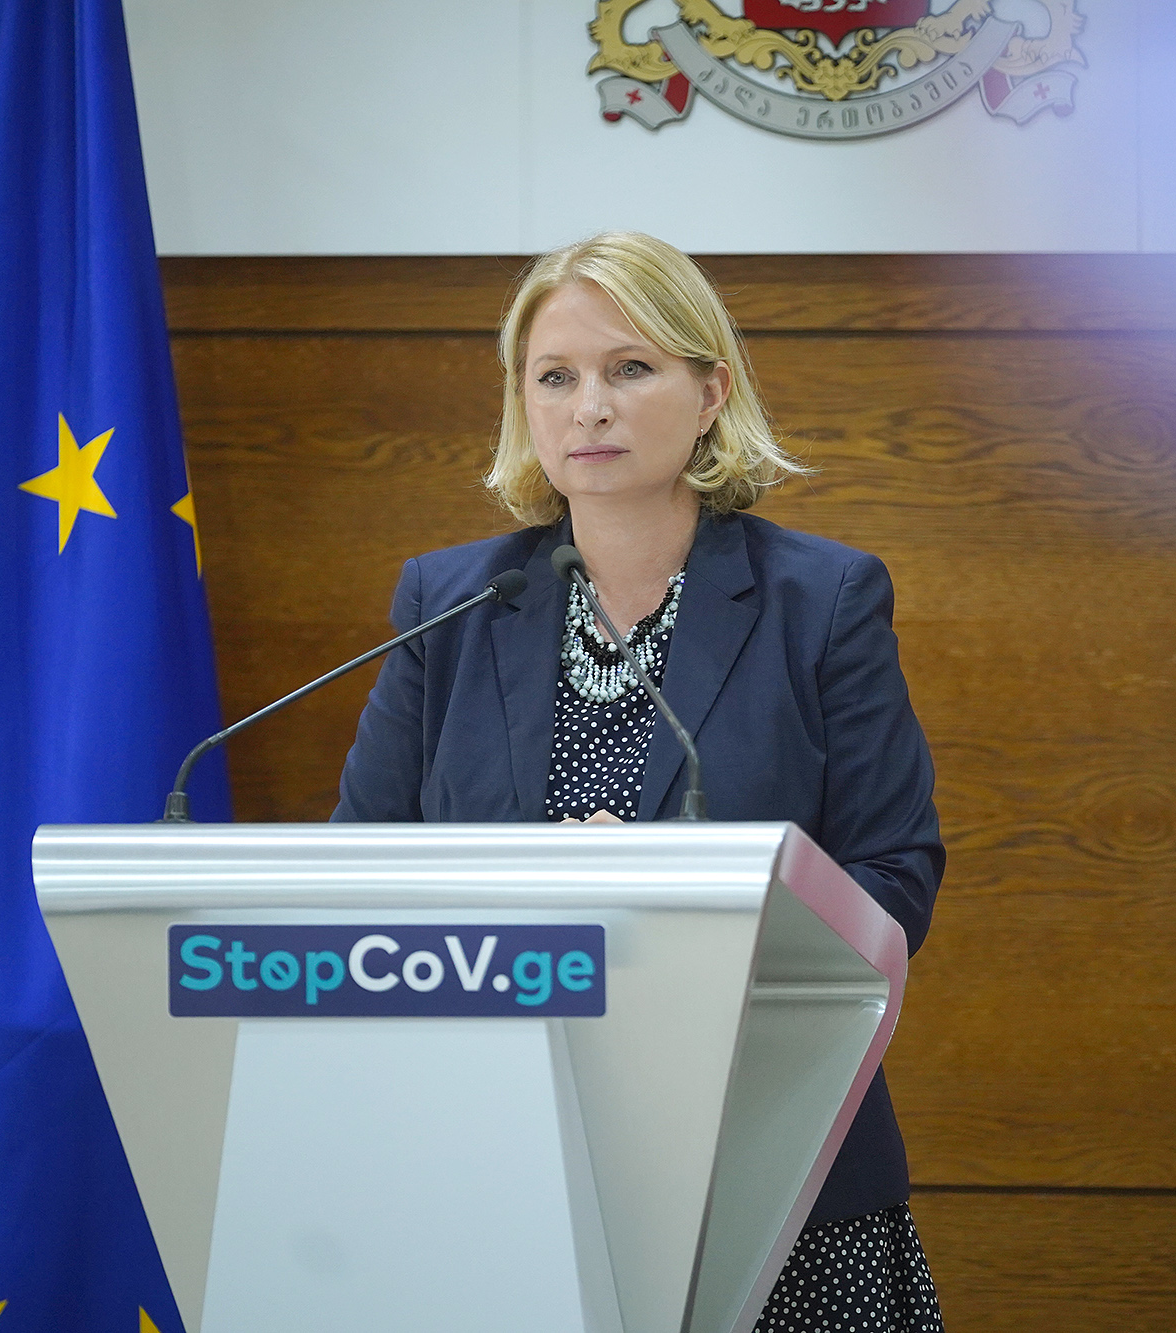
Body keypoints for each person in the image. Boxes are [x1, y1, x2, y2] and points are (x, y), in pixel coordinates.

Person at [333, 230, 945, 1331]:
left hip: (765, 1153)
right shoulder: (450, 604)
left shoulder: (822, 601)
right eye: (554, 377)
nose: (589, 408)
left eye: (629, 368)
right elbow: (357, 873)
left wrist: (679, 900)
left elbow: (894, 878)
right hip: (499, 1152)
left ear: (710, 392)